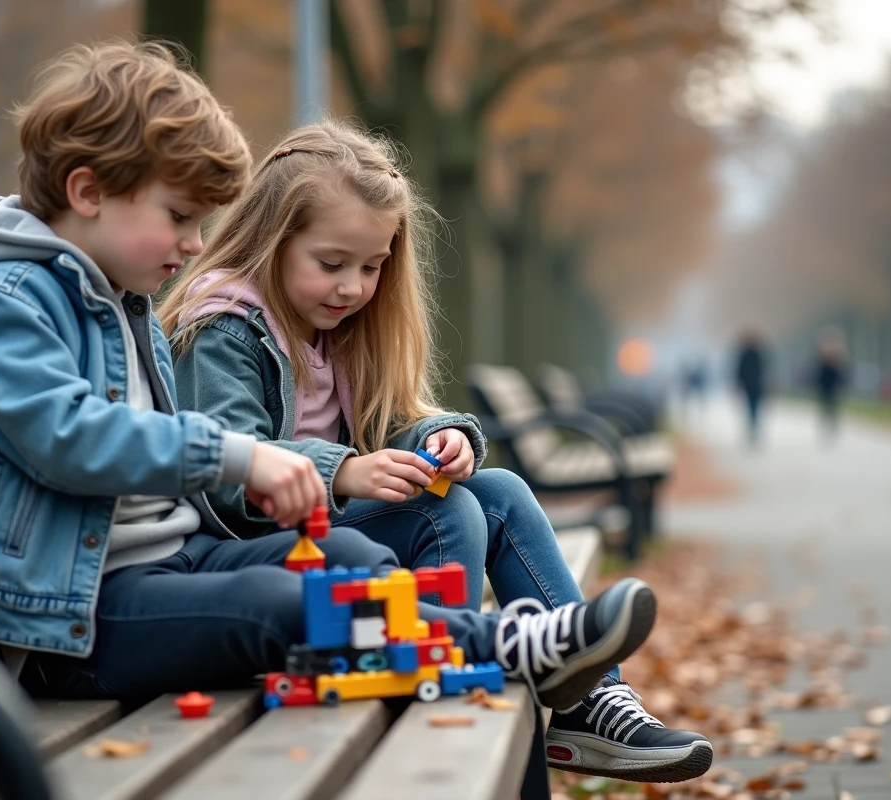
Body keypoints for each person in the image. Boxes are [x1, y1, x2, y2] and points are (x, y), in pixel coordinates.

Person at [0, 39, 658, 739]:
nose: (196, 243)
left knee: (356, 562)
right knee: (289, 603)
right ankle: (508, 647)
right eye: (179, 217)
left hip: (170, 565)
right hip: (71, 621)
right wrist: (244, 457)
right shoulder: (7, 299)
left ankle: (537, 667)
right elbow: (68, 438)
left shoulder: (119, 300)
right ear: (87, 191)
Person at [157, 120, 712, 782]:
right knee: (444, 517)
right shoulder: (226, 326)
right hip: (255, 551)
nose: (353, 288)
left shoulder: (335, 328)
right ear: (272, 240)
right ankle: (445, 692)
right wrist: (346, 473)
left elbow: (389, 419)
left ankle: (591, 703)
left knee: (498, 493)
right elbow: (227, 467)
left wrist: (437, 440)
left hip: (326, 537)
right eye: (332, 264)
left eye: (371, 267)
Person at [733, 328, 768, 448]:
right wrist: (738, 384)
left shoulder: (759, 354)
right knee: (750, 407)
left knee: (755, 408)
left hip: (757, 386)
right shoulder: (744, 354)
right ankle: (752, 428)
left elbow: (765, 370)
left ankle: (754, 428)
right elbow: (739, 371)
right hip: (749, 386)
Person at [812, 329, 849, 442]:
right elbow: (817, 375)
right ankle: (825, 427)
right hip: (824, 388)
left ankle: (832, 428)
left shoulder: (837, 361)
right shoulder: (821, 360)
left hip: (833, 388)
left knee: (833, 409)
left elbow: (842, 376)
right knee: (825, 409)